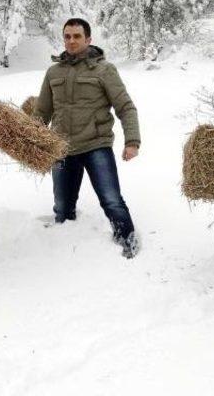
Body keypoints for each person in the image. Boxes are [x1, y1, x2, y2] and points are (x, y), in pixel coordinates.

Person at [33, 18, 141, 259]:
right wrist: (29, 141)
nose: (71, 41)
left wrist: (132, 141)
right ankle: (65, 241)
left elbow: (125, 107)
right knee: (62, 205)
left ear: (89, 39)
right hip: (61, 147)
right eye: (67, 36)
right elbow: (42, 111)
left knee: (111, 199)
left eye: (77, 36)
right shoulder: (53, 72)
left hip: (96, 144)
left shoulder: (104, 70)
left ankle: (127, 237)